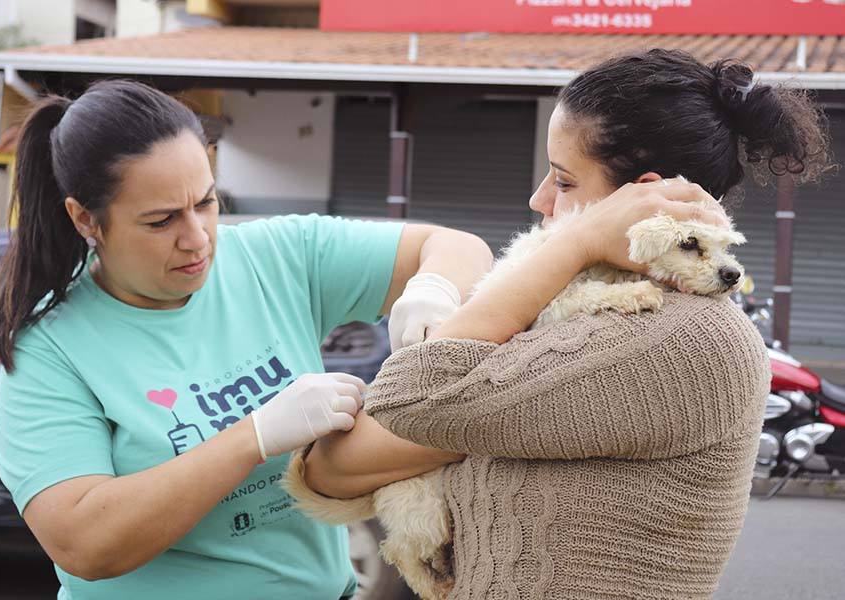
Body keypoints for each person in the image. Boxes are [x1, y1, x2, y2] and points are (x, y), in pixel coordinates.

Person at [303, 49, 831, 599]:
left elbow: (413, 394)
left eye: (563, 180)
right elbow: (333, 469)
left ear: (643, 196)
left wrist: (576, 241)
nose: (539, 200)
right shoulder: (588, 312)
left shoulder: (677, 339)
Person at [0, 80, 498, 600]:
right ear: (85, 219)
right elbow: (84, 544)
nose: (197, 237)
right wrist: (251, 437)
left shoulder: (274, 256)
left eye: (206, 201)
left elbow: (456, 246)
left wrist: (434, 288)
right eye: (161, 220)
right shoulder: (48, 346)